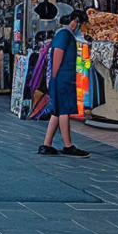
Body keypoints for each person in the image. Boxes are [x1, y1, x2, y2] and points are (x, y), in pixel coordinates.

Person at [37, 9, 90, 157]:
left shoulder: (65, 35)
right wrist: (54, 77)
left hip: (62, 78)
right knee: (64, 111)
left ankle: (46, 144)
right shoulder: (64, 35)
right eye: (84, 24)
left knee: (57, 110)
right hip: (62, 78)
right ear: (76, 22)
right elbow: (57, 54)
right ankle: (68, 145)